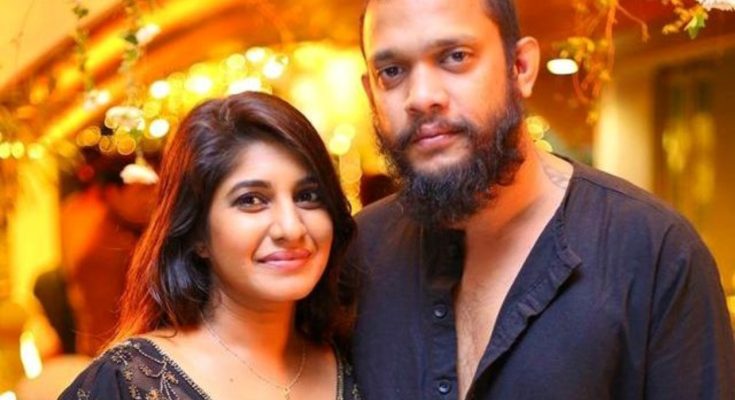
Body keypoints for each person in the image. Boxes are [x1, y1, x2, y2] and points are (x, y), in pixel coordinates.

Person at [351, 0, 735, 399]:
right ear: (370, 93)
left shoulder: (654, 253)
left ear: (521, 67)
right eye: (391, 71)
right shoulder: (359, 254)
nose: (421, 96)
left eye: (455, 56)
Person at [60, 92, 360, 400]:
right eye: (251, 200)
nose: (291, 228)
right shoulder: (128, 382)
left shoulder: (359, 361)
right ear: (197, 234)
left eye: (308, 196)